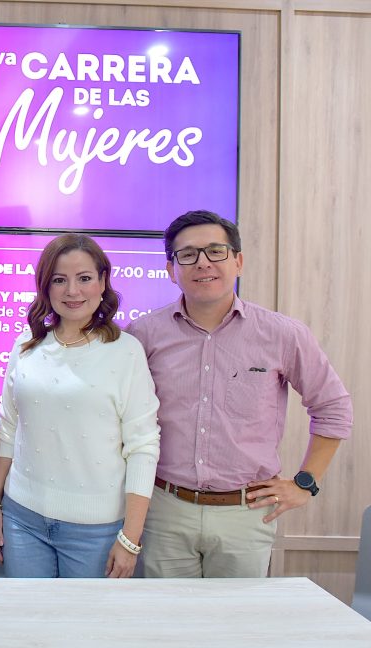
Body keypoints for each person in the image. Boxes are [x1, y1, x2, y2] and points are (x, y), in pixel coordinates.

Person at [126, 210, 352, 578]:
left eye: (216, 251)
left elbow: (333, 407)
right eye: (188, 255)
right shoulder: (143, 334)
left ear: (238, 262)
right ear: (171, 270)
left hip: (245, 515)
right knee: (165, 615)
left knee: (238, 616)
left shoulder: (283, 334)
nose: (203, 263)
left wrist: (305, 483)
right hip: (164, 511)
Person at [0, 234, 160, 578]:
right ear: (45, 286)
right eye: (59, 280)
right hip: (22, 520)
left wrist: (130, 538)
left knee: (87, 616)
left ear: (102, 282)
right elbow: (7, 428)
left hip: (97, 531)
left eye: (84, 278)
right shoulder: (26, 345)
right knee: (24, 613)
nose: (72, 291)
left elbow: (143, 446)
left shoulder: (125, 351)